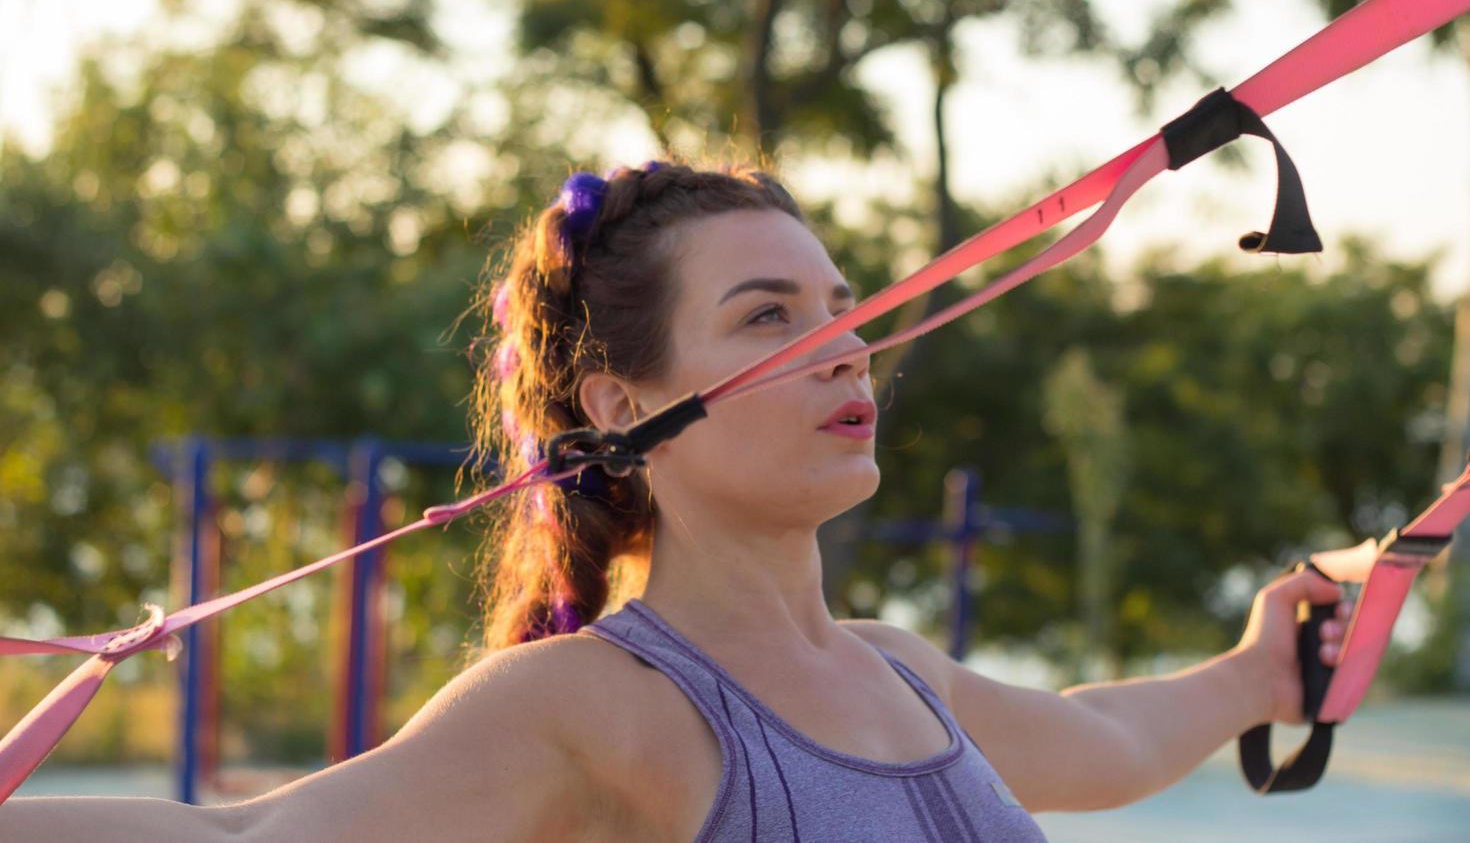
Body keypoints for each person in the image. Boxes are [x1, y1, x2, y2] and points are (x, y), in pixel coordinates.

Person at [0, 159, 1353, 841]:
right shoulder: (588, 704)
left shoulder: (899, 672)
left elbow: (1095, 745)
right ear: (620, 405)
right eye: (769, 317)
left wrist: (1258, 671)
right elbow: (246, 836)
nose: (842, 346)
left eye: (843, 307)